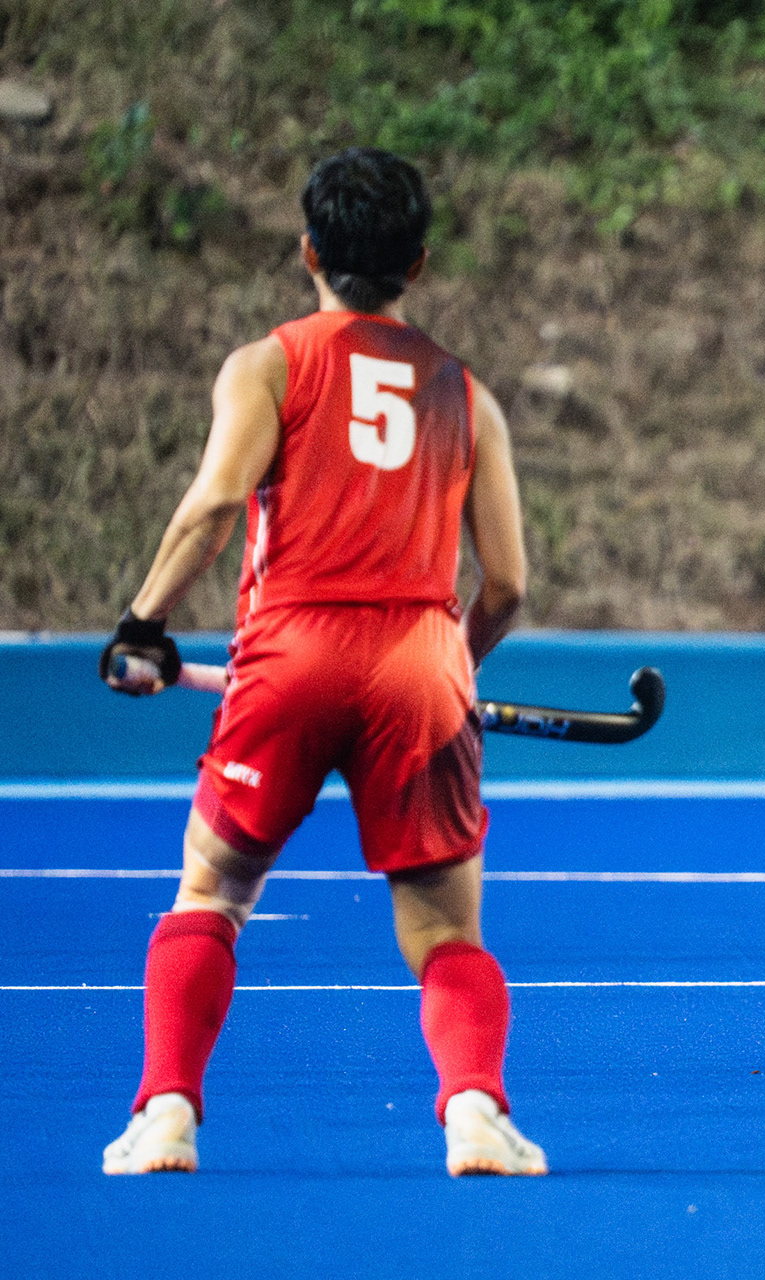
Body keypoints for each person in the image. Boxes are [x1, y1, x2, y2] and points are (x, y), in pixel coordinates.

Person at [98, 148, 545, 1175]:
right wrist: (453, 665)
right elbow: (509, 584)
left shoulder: (268, 365)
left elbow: (215, 504)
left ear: (308, 251)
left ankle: (166, 1115)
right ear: (417, 264)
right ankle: (476, 1112)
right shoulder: (467, 395)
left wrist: (142, 621)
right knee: (447, 932)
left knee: (212, 893)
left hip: (289, 652)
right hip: (422, 664)